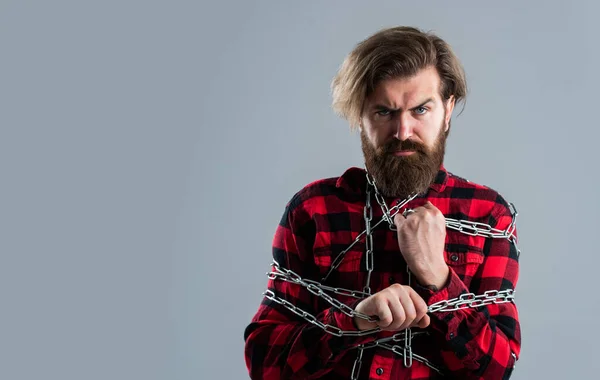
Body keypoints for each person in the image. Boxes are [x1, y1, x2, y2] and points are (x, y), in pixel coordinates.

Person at [243, 26, 521, 379]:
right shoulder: (313, 210)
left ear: (447, 110)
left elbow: (497, 369)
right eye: (384, 112)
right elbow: (264, 362)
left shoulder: (487, 216)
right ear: (359, 115)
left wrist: (438, 278)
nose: (403, 131)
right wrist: (355, 319)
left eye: (421, 110)